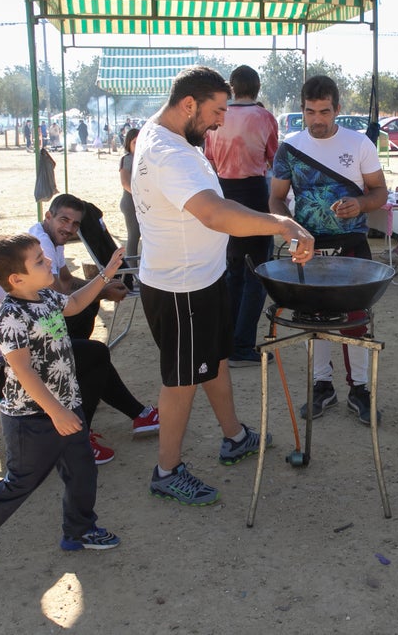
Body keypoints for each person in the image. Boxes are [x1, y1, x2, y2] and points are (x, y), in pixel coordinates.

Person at [132, 65, 314, 506]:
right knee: (181, 380)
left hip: (202, 278)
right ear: (188, 104)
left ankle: (234, 436)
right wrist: (281, 223)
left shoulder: (168, 138)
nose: (220, 122)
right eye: (215, 112)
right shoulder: (168, 153)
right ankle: (167, 470)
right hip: (180, 289)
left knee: (213, 361)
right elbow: (213, 213)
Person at [0, 233, 125, 577]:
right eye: (39, 260)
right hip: (34, 418)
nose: (49, 261)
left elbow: (73, 305)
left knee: (82, 469)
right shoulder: (10, 318)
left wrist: (104, 276)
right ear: (16, 279)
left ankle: (79, 530)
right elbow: (22, 370)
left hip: (67, 407)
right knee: (20, 484)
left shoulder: (45, 296)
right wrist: (56, 412)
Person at [0, 200, 159, 466]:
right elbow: (1, 327)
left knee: (85, 348)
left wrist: (101, 279)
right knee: (87, 353)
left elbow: (67, 303)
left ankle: (133, 416)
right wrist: (48, 318)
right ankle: (76, 438)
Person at [270, 75, 389, 424]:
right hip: (309, 247)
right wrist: (291, 233)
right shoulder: (289, 148)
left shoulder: (360, 144)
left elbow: (379, 192)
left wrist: (361, 204)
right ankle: (323, 385)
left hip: (352, 244)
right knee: (314, 318)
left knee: (355, 319)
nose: (317, 120)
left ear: (337, 109)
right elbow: (276, 198)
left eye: (325, 111)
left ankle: (360, 389)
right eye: (310, 112)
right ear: (302, 111)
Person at [203, 65, 280, 368]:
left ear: (232, 88)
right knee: (257, 273)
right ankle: (243, 344)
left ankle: (230, 340)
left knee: (234, 270)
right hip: (253, 193)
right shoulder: (264, 118)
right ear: (257, 87)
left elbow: (208, 159)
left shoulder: (218, 117)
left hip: (223, 193)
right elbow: (274, 157)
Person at [30, 193, 129, 341]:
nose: (69, 228)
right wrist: (103, 291)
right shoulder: (43, 243)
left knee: (90, 303)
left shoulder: (52, 235)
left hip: (44, 312)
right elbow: (60, 297)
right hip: (36, 324)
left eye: (75, 224)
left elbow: (67, 280)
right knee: (85, 314)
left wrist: (103, 284)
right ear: (49, 216)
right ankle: (70, 353)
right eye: (64, 220)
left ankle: (74, 350)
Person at [117, 129, 142, 261]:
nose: (138, 145)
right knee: (134, 235)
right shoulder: (127, 159)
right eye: (134, 142)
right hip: (131, 203)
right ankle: (132, 270)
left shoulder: (144, 158)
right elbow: (125, 182)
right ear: (129, 143)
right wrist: (141, 195)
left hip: (141, 202)